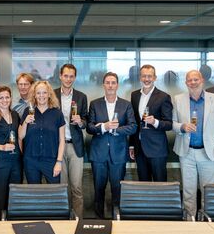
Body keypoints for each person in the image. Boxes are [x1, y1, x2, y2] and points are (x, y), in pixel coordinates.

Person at [172, 70, 214, 218]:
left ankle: (207, 222)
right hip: (187, 152)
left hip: (209, 153)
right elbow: (173, 124)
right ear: (186, 82)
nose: (193, 82)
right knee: (189, 192)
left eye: (196, 79)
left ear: (202, 80)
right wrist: (182, 127)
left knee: (208, 192)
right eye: (190, 80)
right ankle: (190, 223)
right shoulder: (178, 99)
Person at [87, 72, 136, 219]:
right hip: (99, 154)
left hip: (118, 153)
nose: (110, 85)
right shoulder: (95, 104)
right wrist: (104, 127)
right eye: (107, 82)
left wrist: (115, 129)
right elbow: (89, 127)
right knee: (98, 190)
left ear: (117, 85)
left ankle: (117, 219)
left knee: (117, 189)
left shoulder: (126, 104)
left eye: (113, 82)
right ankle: (99, 220)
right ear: (103, 85)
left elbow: (133, 127)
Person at [54, 64, 88, 218]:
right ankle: (62, 220)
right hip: (57, 147)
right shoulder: (52, 95)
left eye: (71, 76)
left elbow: (86, 121)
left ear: (75, 77)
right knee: (61, 187)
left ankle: (78, 221)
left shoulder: (81, 97)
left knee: (77, 187)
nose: (68, 79)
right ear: (60, 76)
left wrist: (81, 121)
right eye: (65, 75)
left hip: (75, 146)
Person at [130, 64, 173, 182]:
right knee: (144, 184)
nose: (146, 79)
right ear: (140, 77)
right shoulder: (134, 95)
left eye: (150, 76)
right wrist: (132, 145)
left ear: (155, 78)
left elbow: (169, 124)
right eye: (144, 76)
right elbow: (134, 122)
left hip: (157, 149)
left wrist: (155, 122)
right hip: (139, 149)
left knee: (160, 184)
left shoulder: (164, 97)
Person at [19, 81, 65, 184]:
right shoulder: (28, 111)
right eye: (38, 93)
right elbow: (21, 136)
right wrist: (26, 122)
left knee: (54, 192)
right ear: (34, 95)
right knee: (34, 193)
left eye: (44, 92)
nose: (41, 96)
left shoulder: (57, 113)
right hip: (31, 160)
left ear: (49, 94)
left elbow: (62, 140)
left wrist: (59, 162)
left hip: (51, 161)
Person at [0, 86, 22, 220]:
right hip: (0, 161)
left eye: (7, 97)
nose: (4, 100)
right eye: (1, 97)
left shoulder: (15, 115)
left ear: (11, 98)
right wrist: (2, 147)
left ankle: (13, 224)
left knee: (14, 195)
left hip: (16, 162)